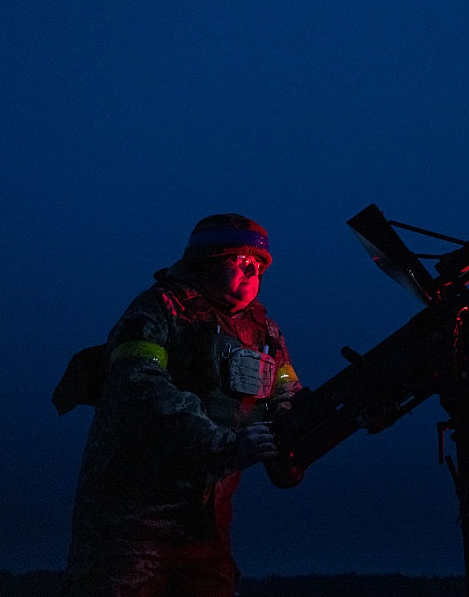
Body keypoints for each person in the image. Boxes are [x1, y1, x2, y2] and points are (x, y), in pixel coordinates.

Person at [62, 214, 305, 596]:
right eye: (240, 260)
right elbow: (139, 386)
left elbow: (285, 391)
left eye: (259, 265)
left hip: (208, 523)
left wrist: (299, 427)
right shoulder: (159, 309)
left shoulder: (265, 332)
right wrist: (223, 445)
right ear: (207, 261)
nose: (252, 271)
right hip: (133, 518)